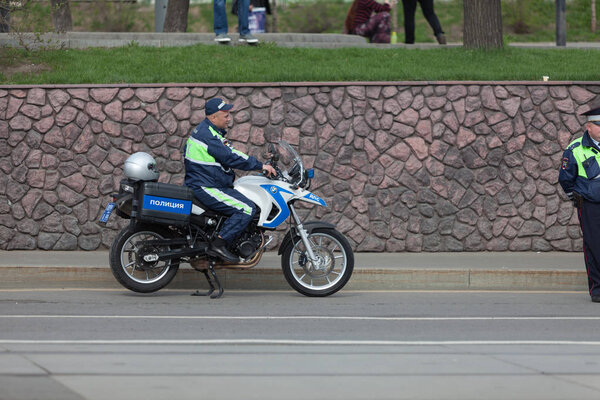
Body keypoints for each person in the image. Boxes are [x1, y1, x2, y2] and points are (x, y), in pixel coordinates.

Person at [184, 98, 276, 262]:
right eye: (225, 115)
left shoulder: (208, 132)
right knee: (246, 209)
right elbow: (232, 157)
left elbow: (228, 155)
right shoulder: (209, 136)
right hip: (206, 186)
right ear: (213, 118)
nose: (229, 119)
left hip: (209, 182)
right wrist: (260, 166)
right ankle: (218, 244)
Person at [558, 104, 600, 303]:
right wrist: (576, 199)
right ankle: (597, 288)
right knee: (594, 246)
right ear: (588, 127)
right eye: (598, 124)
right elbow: (566, 179)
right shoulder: (575, 148)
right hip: (591, 205)